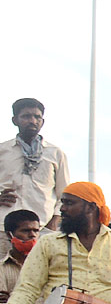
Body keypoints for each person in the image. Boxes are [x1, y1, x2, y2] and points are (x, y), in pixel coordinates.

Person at [0, 98, 70, 259]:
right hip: (4, 228)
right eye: (26, 116)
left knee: (41, 278)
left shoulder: (54, 153)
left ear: (42, 121)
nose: (32, 121)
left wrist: (54, 223)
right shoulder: (2, 151)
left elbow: (64, 194)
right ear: (15, 120)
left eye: (37, 117)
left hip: (42, 228)